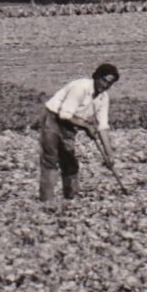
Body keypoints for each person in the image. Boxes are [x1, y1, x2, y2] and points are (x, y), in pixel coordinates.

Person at [39, 62, 120, 202]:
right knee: (50, 159)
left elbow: (102, 127)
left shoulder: (103, 98)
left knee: (69, 160)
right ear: (96, 77)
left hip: (71, 124)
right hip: (53, 118)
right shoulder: (80, 88)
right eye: (103, 80)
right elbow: (64, 114)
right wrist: (86, 126)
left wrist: (109, 154)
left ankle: (71, 197)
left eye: (109, 83)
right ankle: (47, 200)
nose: (105, 86)